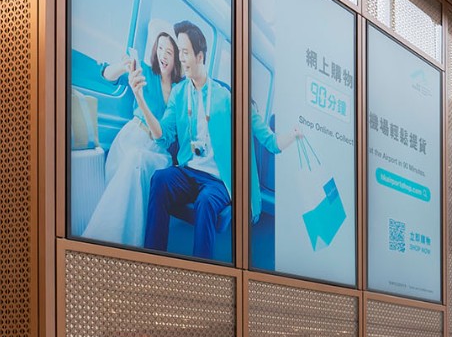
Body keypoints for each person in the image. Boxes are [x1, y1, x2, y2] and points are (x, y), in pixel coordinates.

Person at [134, 21, 296, 259]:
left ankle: (203, 275)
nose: (181, 59)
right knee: (160, 179)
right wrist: (139, 98)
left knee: (207, 201)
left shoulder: (229, 99)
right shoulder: (179, 93)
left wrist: (293, 135)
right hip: (189, 171)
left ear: (200, 56)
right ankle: (153, 261)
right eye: (180, 53)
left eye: (186, 53)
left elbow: (270, 142)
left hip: (219, 181)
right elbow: (163, 135)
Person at [81, 32, 184, 247]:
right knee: (131, 163)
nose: (163, 55)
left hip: (157, 150)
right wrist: (124, 66)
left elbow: (167, 135)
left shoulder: (180, 91)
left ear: (176, 59)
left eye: (169, 51)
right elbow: (107, 74)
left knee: (137, 161)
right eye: (160, 48)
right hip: (130, 138)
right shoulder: (146, 72)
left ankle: (125, 243)